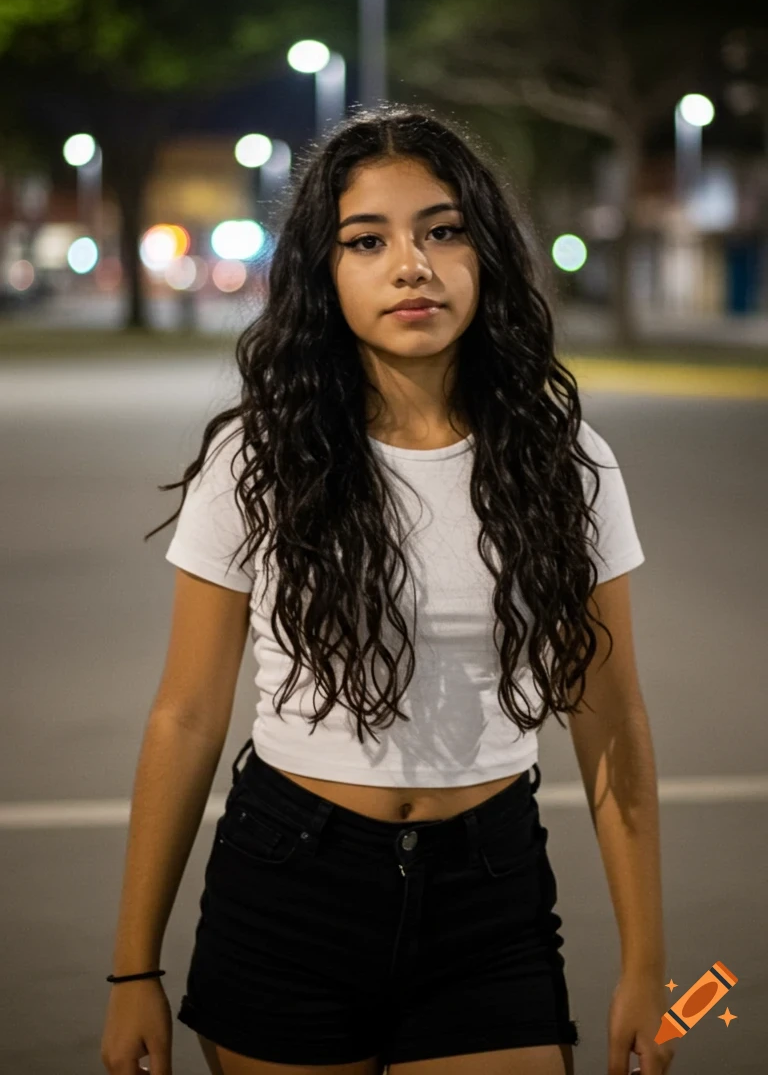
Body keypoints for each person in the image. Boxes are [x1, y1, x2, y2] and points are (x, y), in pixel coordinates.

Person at [101, 106, 671, 1075]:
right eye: (368, 240)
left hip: (489, 890)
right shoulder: (260, 458)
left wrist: (649, 968)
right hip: (290, 883)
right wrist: (132, 972)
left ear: (486, 252)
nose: (413, 264)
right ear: (326, 273)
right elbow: (188, 714)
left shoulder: (566, 462)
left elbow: (610, 713)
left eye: (443, 230)